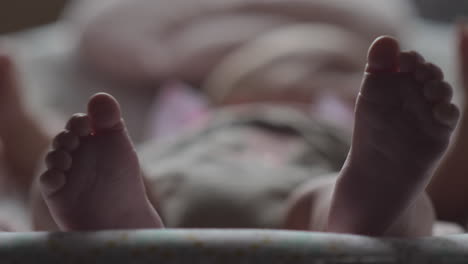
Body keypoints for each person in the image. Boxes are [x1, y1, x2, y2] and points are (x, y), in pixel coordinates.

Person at [37, 36, 460, 236]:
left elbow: (452, 188)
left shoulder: (344, 128)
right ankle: (121, 221)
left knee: (402, 198)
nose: (305, 80)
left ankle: (370, 203)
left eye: (331, 73)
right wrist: (15, 111)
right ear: (225, 93)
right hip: (152, 196)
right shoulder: (191, 118)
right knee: (70, 176)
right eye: (286, 68)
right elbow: (46, 142)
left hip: (313, 209)